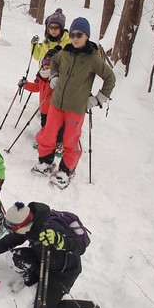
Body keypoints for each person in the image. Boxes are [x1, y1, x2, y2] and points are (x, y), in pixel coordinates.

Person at [0, 202, 99, 308]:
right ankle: (34, 283)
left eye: (13, 229)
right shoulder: (28, 223)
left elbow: (80, 247)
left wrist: (60, 241)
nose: (12, 232)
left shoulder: (51, 226)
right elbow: (8, 242)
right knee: (16, 257)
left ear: (20, 226)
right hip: (43, 258)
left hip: (63, 271)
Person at [33, 17, 116, 188]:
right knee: (48, 135)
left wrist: (98, 99)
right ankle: (45, 162)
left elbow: (110, 78)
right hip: (56, 104)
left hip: (76, 108)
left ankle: (66, 170)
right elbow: (54, 62)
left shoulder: (93, 59)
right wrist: (54, 76)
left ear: (87, 36)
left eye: (79, 34)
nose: (75, 38)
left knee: (70, 140)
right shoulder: (64, 53)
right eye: (72, 34)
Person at [20, 47, 66, 154]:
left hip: (56, 109)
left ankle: (59, 143)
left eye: (50, 62)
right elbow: (36, 87)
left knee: (57, 128)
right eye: (45, 61)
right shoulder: (41, 76)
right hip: (44, 109)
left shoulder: (58, 77)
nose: (46, 65)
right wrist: (25, 84)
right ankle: (46, 141)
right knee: (45, 126)